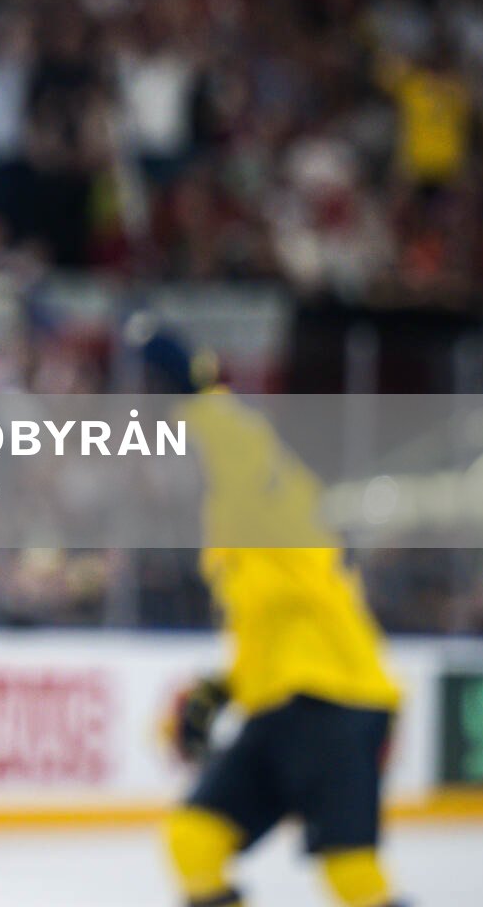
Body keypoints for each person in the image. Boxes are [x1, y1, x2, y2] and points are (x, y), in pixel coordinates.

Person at [134, 325, 406, 907]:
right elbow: (271, 636)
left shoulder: (273, 503)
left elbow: (238, 444)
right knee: (193, 841)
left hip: (337, 704)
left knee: (352, 874)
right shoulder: (238, 533)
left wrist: (196, 390)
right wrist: (221, 688)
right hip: (281, 706)